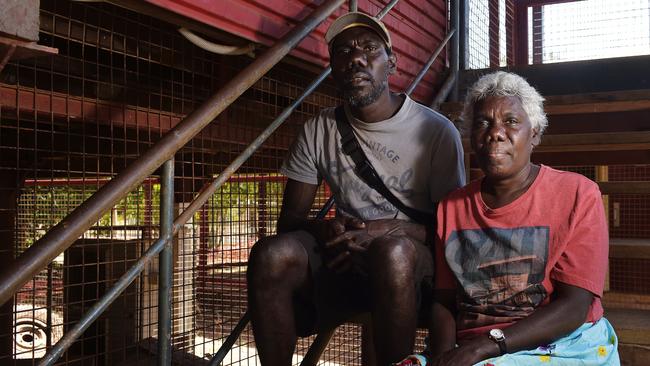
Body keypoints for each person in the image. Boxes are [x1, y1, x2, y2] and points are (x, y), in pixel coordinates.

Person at [246, 11, 466, 366]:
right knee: (270, 254)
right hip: (344, 260)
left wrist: (386, 231)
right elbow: (289, 221)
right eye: (344, 51)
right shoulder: (317, 130)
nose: (357, 58)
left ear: (391, 63)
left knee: (391, 253)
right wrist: (327, 229)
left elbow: (455, 231)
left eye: (369, 48)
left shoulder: (436, 131)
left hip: (412, 270)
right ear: (334, 66)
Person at [396, 71, 619, 366]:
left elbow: (575, 307)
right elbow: (445, 301)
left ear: (535, 133)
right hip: (471, 347)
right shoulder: (452, 206)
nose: (495, 132)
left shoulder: (578, 194)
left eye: (511, 121)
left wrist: (483, 348)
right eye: (483, 123)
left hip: (561, 342)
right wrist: (442, 356)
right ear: (472, 136)